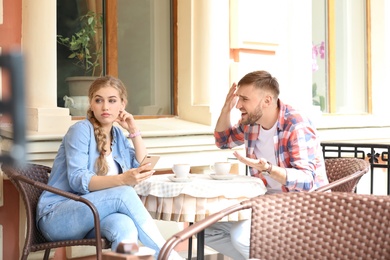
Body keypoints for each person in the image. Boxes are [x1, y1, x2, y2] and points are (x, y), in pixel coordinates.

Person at [37, 76, 182, 259]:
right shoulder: (80, 130)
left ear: (122, 104)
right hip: (58, 217)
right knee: (124, 193)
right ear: (91, 103)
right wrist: (123, 179)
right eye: (99, 100)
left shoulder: (117, 135)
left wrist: (133, 129)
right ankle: (169, 255)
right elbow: (77, 180)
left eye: (112, 101)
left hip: (92, 217)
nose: (105, 107)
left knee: (125, 227)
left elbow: (141, 165)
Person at [204, 70, 329, 259]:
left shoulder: (296, 124)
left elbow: (306, 181)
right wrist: (225, 109)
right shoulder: (251, 123)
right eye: (238, 99)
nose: (239, 105)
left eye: (244, 99)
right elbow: (223, 140)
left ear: (267, 101)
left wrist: (268, 169)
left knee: (242, 237)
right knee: (204, 230)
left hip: (304, 206)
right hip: (266, 202)